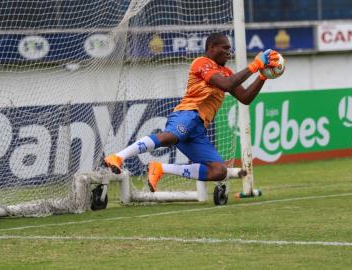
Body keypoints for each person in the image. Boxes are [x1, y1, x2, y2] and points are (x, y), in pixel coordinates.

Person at [104, 32, 280, 192]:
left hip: (199, 129)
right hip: (188, 113)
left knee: (219, 171)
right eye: (225, 48)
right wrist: (255, 65)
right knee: (169, 137)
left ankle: (161, 168)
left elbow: (245, 97)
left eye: (230, 49)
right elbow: (227, 85)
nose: (229, 52)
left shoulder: (227, 72)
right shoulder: (202, 63)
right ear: (211, 48)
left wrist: (262, 77)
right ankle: (118, 157)